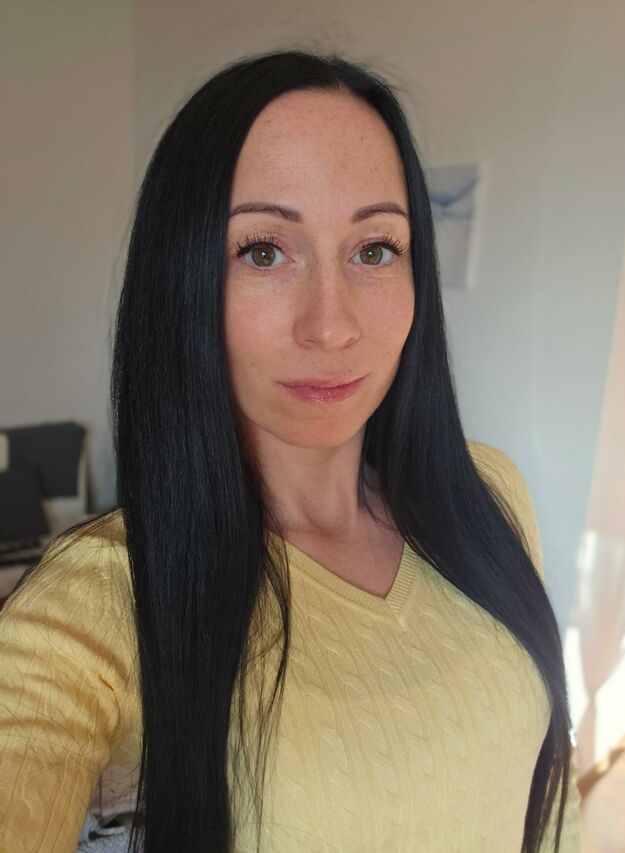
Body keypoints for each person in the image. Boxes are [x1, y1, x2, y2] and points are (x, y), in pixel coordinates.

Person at [0, 49, 582, 852]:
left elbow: (551, 797)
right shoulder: (106, 591)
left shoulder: (489, 491)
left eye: (374, 249)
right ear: (182, 281)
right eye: (263, 250)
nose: (331, 325)